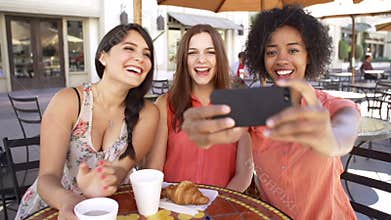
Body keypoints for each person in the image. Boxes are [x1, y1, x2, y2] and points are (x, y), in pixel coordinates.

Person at [181, 5, 360, 220]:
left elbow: (345, 130)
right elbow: (232, 134)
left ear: (309, 56)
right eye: (271, 52)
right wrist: (209, 132)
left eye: (293, 50)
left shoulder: (329, 105)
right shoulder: (255, 108)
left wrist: (331, 141)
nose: (281, 59)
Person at [16, 23, 159, 220]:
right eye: (129, 48)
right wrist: (68, 200)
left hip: (107, 209)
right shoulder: (69, 102)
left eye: (147, 54)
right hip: (56, 207)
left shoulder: (148, 113)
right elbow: (46, 178)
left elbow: (121, 169)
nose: (140, 58)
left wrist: (104, 181)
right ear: (103, 56)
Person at [146, 24, 253, 192]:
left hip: (222, 210)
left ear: (220, 58)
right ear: (184, 60)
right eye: (192, 53)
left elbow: (244, 171)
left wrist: (219, 205)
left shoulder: (240, 106)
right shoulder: (164, 104)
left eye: (210, 52)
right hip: (172, 208)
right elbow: (154, 169)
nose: (201, 60)